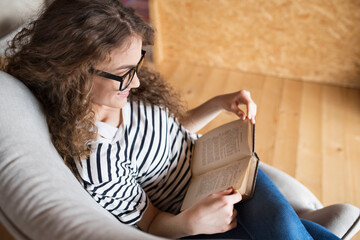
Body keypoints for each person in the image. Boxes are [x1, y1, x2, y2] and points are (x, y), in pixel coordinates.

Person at [3, 0, 341, 239]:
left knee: (283, 221)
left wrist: (218, 103)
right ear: (72, 74)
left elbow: (173, 131)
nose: (136, 83)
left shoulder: (122, 94)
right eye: (124, 74)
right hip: (200, 214)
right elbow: (148, 222)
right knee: (281, 224)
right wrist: (191, 224)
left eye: (138, 66)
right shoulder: (96, 157)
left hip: (220, 174)